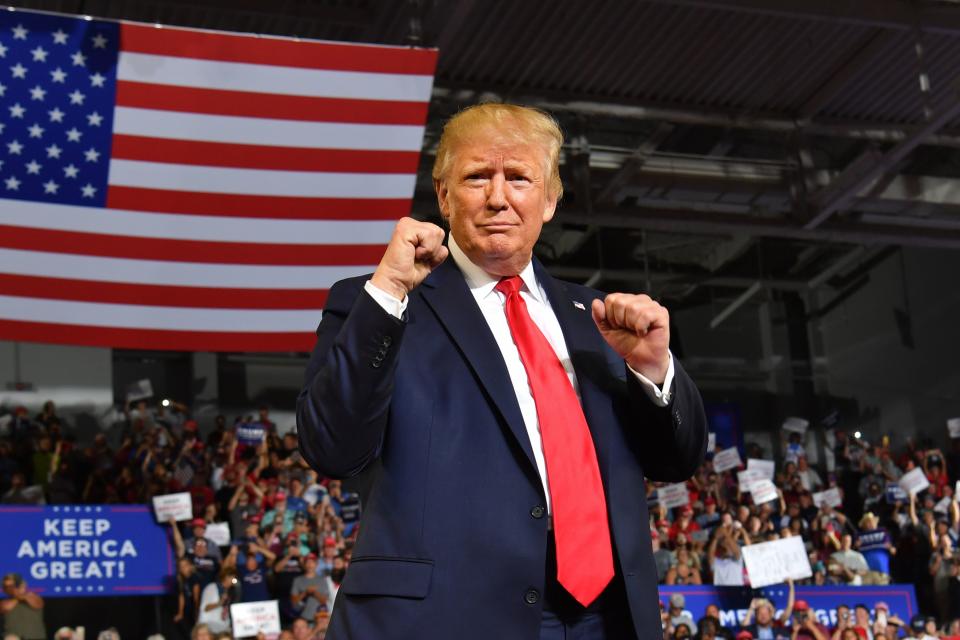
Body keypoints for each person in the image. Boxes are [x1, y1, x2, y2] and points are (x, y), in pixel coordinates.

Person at [296, 102, 708, 639]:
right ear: (443, 195)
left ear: (551, 199)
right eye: (476, 177)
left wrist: (654, 370)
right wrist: (390, 290)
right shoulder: (380, 304)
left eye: (518, 177)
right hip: (446, 619)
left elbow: (678, 459)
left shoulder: (602, 320)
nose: (498, 196)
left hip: (606, 620)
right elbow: (331, 446)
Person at [0, 573, 45, 640]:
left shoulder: (33, 597)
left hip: (35, 637)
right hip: (13, 637)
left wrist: (21, 594)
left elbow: (38, 604)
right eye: (6, 587)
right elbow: (5, 607)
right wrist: (17, 595)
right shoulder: (4, 602)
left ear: (20, 585)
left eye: (13, 586)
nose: (10, 589)